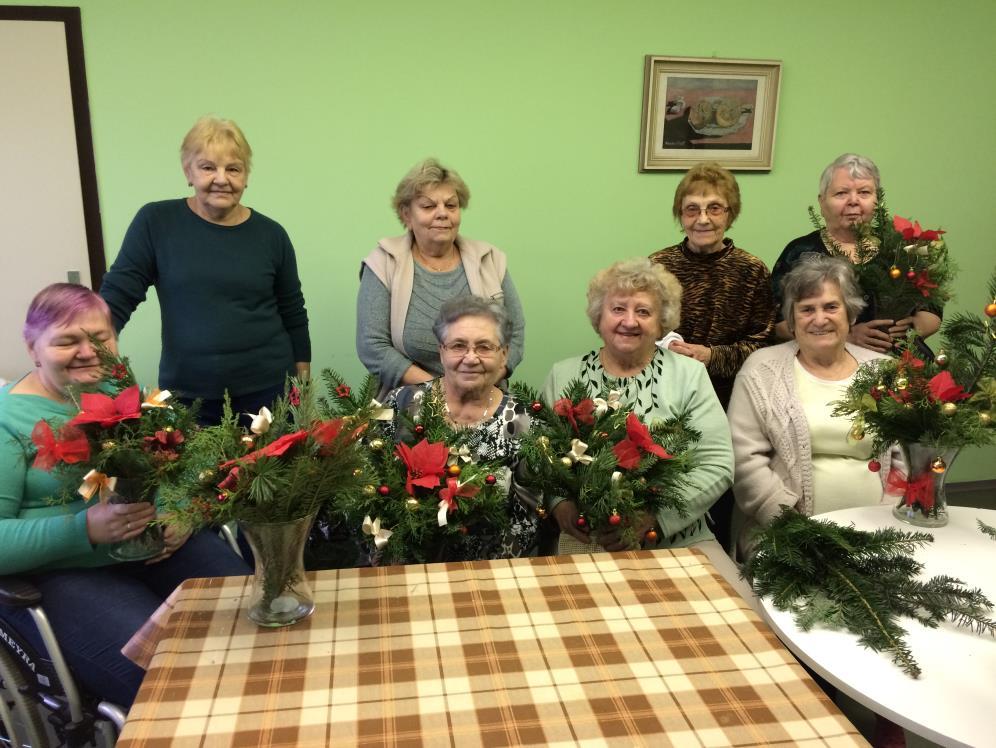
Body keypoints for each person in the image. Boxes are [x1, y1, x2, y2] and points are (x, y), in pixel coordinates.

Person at [0, 283, 249, 709]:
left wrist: (179, 511)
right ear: (33, 348)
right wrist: (84, 530)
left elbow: (181, 462)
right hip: (69, 571)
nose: (88, 351)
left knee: (256, 620)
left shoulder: (120, 390)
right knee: (170, 681)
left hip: (156, 547)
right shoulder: (10, 423)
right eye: (67, 341)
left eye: (100, 338)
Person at [541, 259, 743, 590]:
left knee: (736, 618)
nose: (629, 321)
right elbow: (542, 455)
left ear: (662, 322)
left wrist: (654, 521)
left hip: (680, 538)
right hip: (587, 538)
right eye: (618, 308)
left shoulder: (689, 375)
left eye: (644, 312)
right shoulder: (564, 374)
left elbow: (718, 464)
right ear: (599, 317)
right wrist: (558, 504)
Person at [99, 116, 310, 425]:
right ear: (188, 172)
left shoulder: (272, 235)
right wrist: (93, 349)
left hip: (269, 392)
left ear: (246, 177)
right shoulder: (155, 222)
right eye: (208, 167)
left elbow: (293, 311)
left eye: (233, 169)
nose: (221, 179)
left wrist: (302, 387)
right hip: (188, 397)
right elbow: (118, 295)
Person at [729, 256, 903, 556]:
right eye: (807, 309)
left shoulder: (884, 372)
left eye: (831, 307)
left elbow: (906, 458)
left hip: (880, 535)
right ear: (792, 321)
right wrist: (792, 527)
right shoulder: (762, 370)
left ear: (850, 315)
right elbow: (744, 460)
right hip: (783, 537)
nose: (819, 319)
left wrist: (886, 526)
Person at [649, 162, 775, 551]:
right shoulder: (659, 265)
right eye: (692, 209)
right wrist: (665, 344)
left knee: (714, 493)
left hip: (728, 402)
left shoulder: (752, 271)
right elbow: (642, 327)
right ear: (680, 215)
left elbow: (764, 343)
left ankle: (715, 566)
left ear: (730, 214)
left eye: (714, 208)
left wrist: (712, 356)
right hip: (667, 399)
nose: (702, 218)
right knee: (663, 489)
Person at [381, 295, 538, 560]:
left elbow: (528, 514)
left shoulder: (521, 419)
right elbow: (367, 480)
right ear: (441, 351)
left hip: (491, 566)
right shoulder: (399, 401)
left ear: (504, 355)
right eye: (458, 345)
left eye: (485, 347)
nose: (471, 358)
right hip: (408, 559)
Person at [357, 158, 525, 396]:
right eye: (428, 206)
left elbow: (515, 334)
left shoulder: (489, 259)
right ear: (406, 214)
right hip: (409, 405)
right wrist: (441, 392)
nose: (442, 214)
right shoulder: (384, 262)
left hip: (484, 400)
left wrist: (481, 383)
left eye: (451, 205)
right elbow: (372, 347)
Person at [770, 153, 941, 351]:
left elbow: (933, 311)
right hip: (825, 359)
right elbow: (775, 323)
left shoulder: (901, 249)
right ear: (822, 202)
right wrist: (845, 336)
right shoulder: (799, 252)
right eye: (841, 193)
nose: (853, 201)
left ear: (878, 200)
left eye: (864, 192)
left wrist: (912, 328)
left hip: (899, 364)